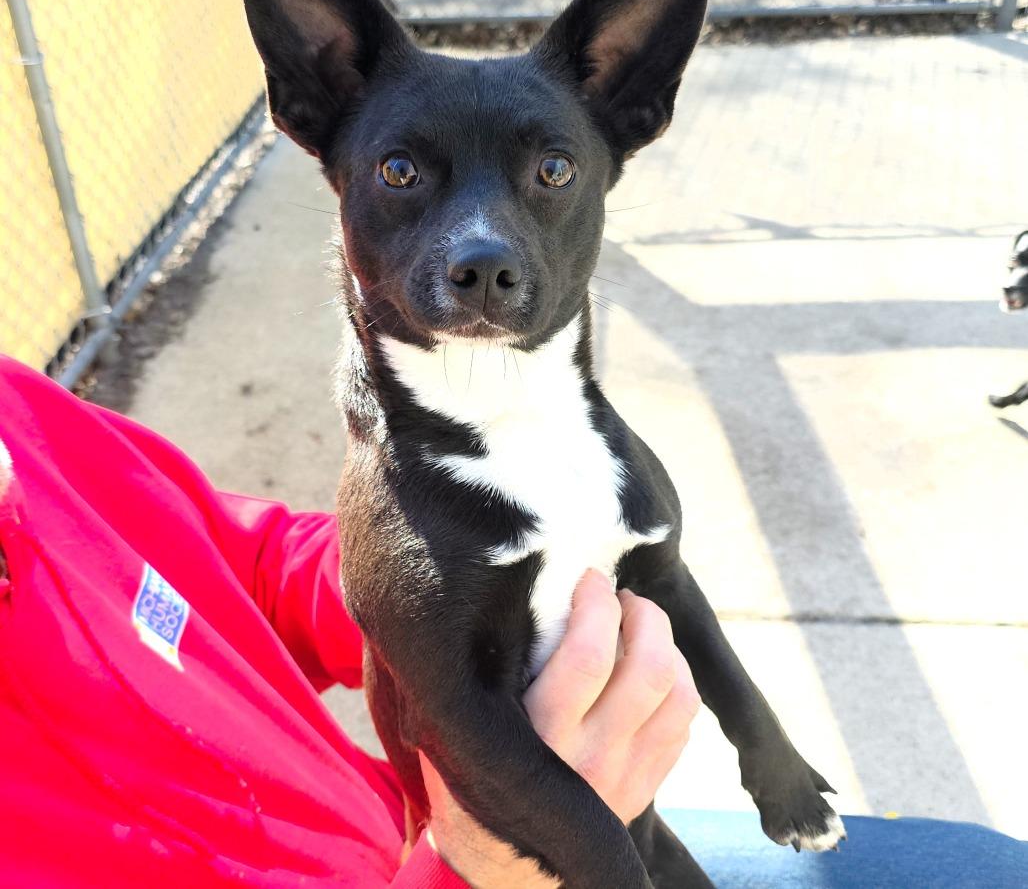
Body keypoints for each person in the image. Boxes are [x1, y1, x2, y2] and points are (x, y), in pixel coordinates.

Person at [0, 355, 697, 887]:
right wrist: (485, 863)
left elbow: (249, 565)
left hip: (398, 820)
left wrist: (433, 576)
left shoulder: (13, 413)